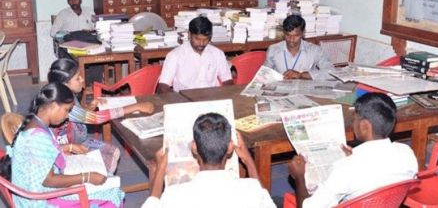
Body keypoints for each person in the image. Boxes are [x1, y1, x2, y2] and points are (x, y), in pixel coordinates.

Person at [0, 83, 124, 207]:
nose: (67, 116)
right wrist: (87, 177)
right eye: (67, 110)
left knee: (106, 180)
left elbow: (39, 156)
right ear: (54, 106)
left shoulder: (34, 123)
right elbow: (49, 180)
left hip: (33, 191)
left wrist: (68, 147)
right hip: (40, 200)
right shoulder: (38, 138)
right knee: (111, 195)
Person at [287, 93, 418, 208]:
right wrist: (353, 157)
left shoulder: (345, 168)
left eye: (354, 119)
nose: (352, 123)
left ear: (364, 126)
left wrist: (299, 176)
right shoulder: (407, 153)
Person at [142, 112, 276, 208]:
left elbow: (152, 203)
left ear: (194, 147)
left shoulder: (174, 195)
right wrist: (247, 160)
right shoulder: (251, 190)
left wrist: (160, 170)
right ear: (230, 147)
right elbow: (264, 198)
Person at [48, 58, 155, 173]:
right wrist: (136, 107)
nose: (82, 79)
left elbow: (79, 115)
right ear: (65, 84)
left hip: (75, 141)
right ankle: (98, 183)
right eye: (77, 78)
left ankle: (102, 180)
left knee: (113, 152)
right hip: (63, 148)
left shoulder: (66, 95)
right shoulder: (61, 102)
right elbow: (96, 118)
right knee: (107, 158)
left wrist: (90, 107)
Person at [158, 16, 233, 92]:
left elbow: (228, 80)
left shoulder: (217, 54)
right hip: (184, 99)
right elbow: (163, 87)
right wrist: (178, 99)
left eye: (205, 39)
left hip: (211, 98)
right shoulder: (175, 55)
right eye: (197, 39)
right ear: (189, 34)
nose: (201, 43)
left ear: (210, 37)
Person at [264, 14, 332, 80]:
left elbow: (331, 72)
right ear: (284, 33)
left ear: (303, 33)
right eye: (288, 35)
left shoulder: (315, 50)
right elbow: (263, 75)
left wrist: (301, 75)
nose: (291, 40)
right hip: (281, 89)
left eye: (296, 36)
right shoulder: (273, 49)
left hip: (305, 90)